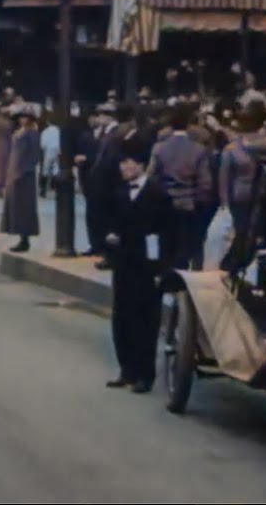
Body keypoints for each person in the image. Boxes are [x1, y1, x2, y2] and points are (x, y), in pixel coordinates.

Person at [102, 136, 174, 393]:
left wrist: (161, 267)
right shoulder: (119, 193)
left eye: (129, 163)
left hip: (147, 265)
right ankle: (126, 369)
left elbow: (166, 233)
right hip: (123, 263)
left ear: (141, 165)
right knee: (121, 317)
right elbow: (110, 222)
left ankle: (145, 374)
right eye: (122, 164)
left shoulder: (158, 194)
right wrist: (110, 238)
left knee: (146, 319)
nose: (124, 168)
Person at [147, 105, 215, 270]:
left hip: (165, 204)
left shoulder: (160, 147)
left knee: (165, 246)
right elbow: (205, 182)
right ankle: (180, 283)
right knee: (185, 249)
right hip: (188, 204)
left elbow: (150, 176)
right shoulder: (198, 150)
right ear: (189, 125)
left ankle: (165, 279)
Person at [84, 103, 127, 259]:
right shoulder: (100, 132)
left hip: (107, 182)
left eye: (101, 115)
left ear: (109, 116)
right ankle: (96, 245)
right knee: (95, 214)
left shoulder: (115, 133)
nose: (98, 118)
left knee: (106, 217)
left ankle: (106, 249)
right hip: (96, 180)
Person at [0, 110, 41, 252]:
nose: (23, 120)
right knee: (16, 207)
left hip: (25, 176)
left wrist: (22, 171)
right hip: (14, 173)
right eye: (21, 117)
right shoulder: (19, 132)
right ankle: (21, 237)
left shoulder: (33, 133)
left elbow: (34, 156)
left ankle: (25, 239)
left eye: (26, 117)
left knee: (24, 207)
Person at [39, 112, 61, 199]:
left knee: (45, 170)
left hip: (48, 151)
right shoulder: (59, 131)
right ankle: (56, 190)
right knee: (56, 170)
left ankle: (43, 191)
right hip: (57, 151)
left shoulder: (45, 132)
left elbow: (42, 144)